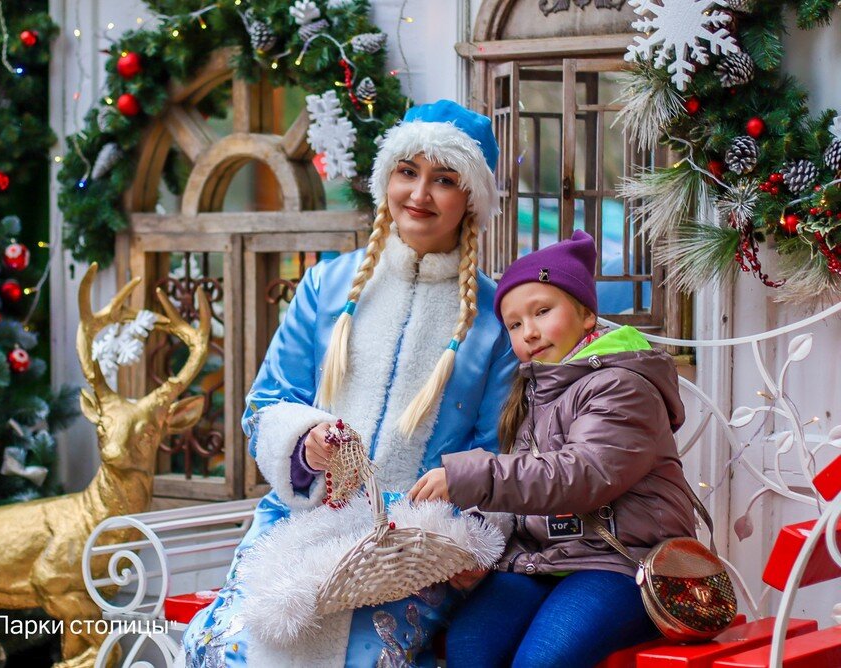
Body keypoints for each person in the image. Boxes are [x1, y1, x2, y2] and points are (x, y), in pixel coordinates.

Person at [183, 99, 516, 667]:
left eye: (443, 180)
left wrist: (465, 543)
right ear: (387, 178)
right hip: (299, 524)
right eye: (407, 173)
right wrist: (305, 441)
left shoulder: (494, 318)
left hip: (411, 550)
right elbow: (266, 405)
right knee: (227, 650)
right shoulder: (325, 286)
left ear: (471, 201)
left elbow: (498, 449)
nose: (419, 194)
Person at [409, 230, 698, 667]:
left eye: (542, 311)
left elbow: (579, 475)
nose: (529, 332)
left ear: (586, 316)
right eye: (514, 324)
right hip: (542, 562)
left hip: (621, 564)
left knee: (540, 661)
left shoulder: (621, 386)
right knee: (470, 647)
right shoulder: (535, 391)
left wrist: (469, 476)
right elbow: (524, 491)